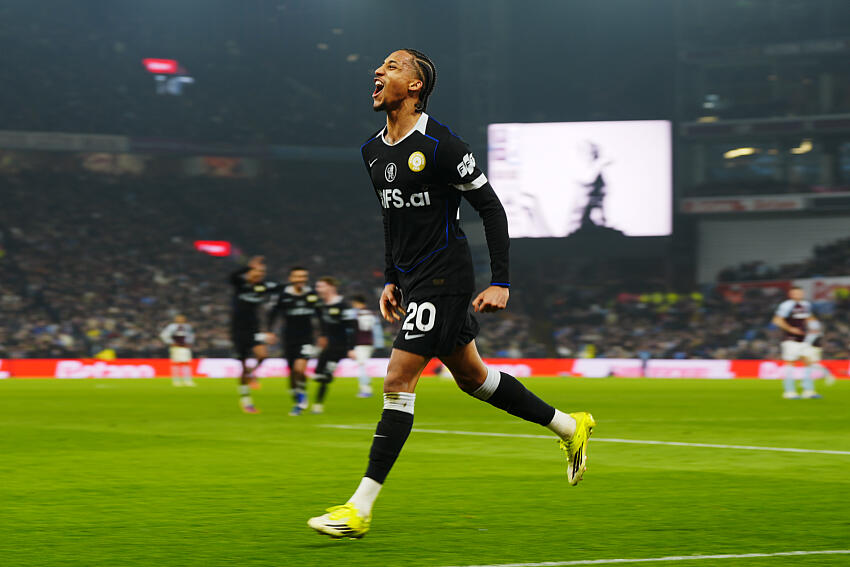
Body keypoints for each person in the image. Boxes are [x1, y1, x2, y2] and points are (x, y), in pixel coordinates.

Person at [308, 49, 595, 539]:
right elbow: (391, 218)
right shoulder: (372, 151)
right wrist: (390, 276)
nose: (379, 72)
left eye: (393, 67)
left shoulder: (443, 145)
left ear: (416, 87)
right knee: (472, 378)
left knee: (398, 379)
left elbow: (492, 209)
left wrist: (500, 280)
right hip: (415, 277)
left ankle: (359, 508)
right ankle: (571, 427)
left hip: (447, 274)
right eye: (380, 67)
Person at [229, 256, 279, 413]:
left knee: (263, 355)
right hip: (237, 330)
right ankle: (246, 401)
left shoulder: (262, 287)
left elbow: (279, 288)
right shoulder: (240, 285)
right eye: (257, 271)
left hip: (254, 329)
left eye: (263, 272)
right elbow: (232, 276)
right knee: (243, 365)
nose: (260, 274)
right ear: (250, 272)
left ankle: (252, 373)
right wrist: (247, 266)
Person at [269, 266, 320, 416]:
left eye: (303, 276)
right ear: (291, 278)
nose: (301, 279)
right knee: (293, 373)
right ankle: (297, 394)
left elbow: (320, 314)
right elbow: (273, 314)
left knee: (299, 369)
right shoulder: (283, 295)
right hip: (289, 338)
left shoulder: (311, 294)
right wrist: (269, 331)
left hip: (306, 338)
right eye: (297, 276)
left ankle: (301, 398)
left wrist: (323, 334)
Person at [311, 276, 357, 414]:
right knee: (318, 374)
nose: (318, 289)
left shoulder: (344, 305)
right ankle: (326, 377)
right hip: (327, 347)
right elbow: (321, 323)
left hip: (340, 347)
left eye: (321, 286)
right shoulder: (320, 305)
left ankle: (318, 405)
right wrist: (322, 336)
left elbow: (353, 327)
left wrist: (351, 348)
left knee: (325, 376)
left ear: (331, 287)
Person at [772, 286, 821, 399]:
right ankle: (789, 391)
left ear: (802, 293)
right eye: (795, 293)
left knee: (808, 362)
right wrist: (790, 329)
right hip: (790, 338)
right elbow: (777, 320)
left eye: (799, 293)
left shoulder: (806, 305)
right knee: (790, 362)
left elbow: (809, 317)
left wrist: (814, 326)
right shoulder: (786, 305)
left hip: (804, 338)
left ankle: (808, 391)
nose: (797, 295)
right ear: (791, 294)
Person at [350, 294, 379, 397]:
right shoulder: (371, 313)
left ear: (356, 302)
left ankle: (366, 390)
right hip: (369, 343)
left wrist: (351, 346)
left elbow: (353, 331)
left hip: (360, 343)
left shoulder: (356, 314)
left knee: (362, 366)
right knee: (363, 365)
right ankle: (366, 388)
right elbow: (375, 330)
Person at [159, 314, 196, 387]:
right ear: (176, 319)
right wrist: (171, 342)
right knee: (175, 363)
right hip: (176, 347)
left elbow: (191, 335)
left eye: (182, 318)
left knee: (186, 363)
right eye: (179, 318)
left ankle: (188, 381)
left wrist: (189, 342)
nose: (180, 320)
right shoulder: (172, 327)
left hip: (185, 347)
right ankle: (176, 381)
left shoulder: (187, 327)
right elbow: (163, 335)